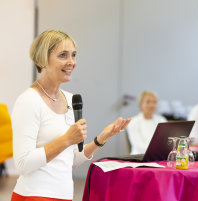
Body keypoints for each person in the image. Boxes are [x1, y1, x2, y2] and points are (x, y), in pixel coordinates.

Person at [11, 30, 131, 201]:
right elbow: (23, 164)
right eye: (63, 55)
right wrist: (67, 139)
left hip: (64, 195)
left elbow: (70, 159)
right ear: (43, 59)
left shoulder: (69, 98)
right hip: (34, 195)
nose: (71, 62)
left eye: (74, 55)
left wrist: (102, 138)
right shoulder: (29, 101)